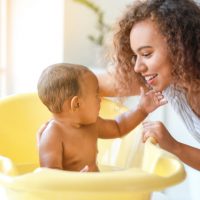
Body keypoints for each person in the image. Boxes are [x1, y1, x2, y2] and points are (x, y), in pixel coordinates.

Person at [97, 0, 200, 170]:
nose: (137, 67)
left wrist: (176, 148)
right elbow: (89, 83)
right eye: (135, 56)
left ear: (179, 45)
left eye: (146, 54)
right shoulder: (172, 81)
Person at [37, 63, 166, 172]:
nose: (100, 99)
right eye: (96, 94)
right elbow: (49, 176)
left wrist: (142, 109)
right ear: (76, 104)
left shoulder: (92, 124)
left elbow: (118, 127)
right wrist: (73, 182)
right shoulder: (53, 135)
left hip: (95, 190)